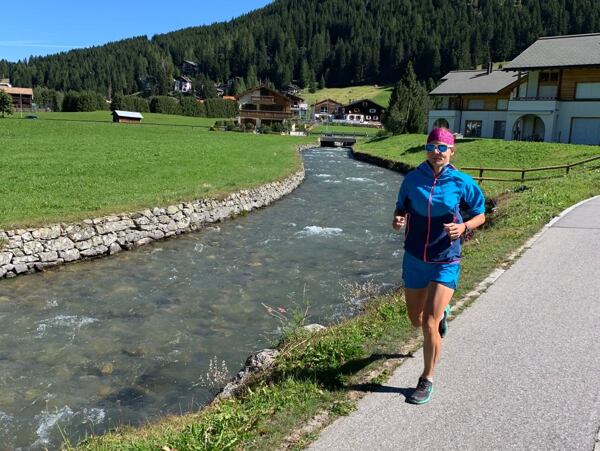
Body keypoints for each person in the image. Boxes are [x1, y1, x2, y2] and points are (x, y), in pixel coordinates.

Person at [392, 127, 486, 404]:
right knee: (416, 319)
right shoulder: (412, 179)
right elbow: (400, 208)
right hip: (414, 258)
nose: (437, 151)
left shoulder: (461, 182)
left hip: (445, 259)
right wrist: (397, 220)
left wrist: (464, 227)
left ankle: (427, 378)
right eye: (431, 146)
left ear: (452, 151)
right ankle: (443, 312)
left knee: (429, 324)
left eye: (443, 147)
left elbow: (480, 214)